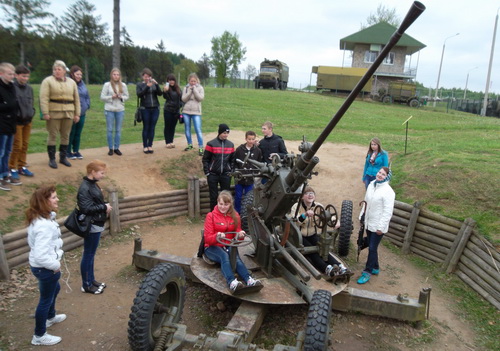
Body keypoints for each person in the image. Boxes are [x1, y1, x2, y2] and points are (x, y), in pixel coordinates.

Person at [26, 185, 66, 346]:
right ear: (44, 201)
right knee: (45, 299)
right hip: (46, 268)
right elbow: (41, 256)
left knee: (55, 289)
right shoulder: (43, 226)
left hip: (44, 267)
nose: (57, 199)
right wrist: (55, 265)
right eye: (54, 197)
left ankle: (50, 317)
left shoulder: (44, 219)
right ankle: (39, 335)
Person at [203, 190, 262, 294]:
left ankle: (249, 279)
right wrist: (217, 236)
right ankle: (232, 282)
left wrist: (240, 235)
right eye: (220, 204)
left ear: (230, 204)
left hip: (228, 244)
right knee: (224, 256)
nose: (223, 207)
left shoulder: (235, 216)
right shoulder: (211, 216)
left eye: (226, 204)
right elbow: (207, 238)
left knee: (235, 257)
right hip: (212, 246)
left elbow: (237, 233)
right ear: (217, 202)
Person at [290, 186, 349, 279]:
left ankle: (340, 266)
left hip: (313, 234)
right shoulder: (296, 207)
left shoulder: (318, 206)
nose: (310, 195)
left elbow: (327, 215)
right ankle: (326, 268)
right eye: (307, 193)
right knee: (312, 253)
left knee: (322, 249)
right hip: (300, 236)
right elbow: (296, 221)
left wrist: (335, 221)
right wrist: (305, 214)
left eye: (312, 193)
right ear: (302, 197)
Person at [78, 160, 112, 294]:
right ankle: (86, 285)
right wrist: (104, 207)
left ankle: (91, 280)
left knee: (91, 254)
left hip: (96, 223)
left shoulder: (92, 185)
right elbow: (85, 208)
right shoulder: (85, 187)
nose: (103, 175)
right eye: (101, 173)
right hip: (92, 225)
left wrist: (103, 206)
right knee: (88, 255)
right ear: (93, 172)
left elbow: (93, 202)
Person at [357, 167, 395, 284]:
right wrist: (362, 216)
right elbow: (366, 201)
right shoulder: (372, 184)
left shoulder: (388, 191)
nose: (379, 175)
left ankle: (367, 272)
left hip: (378, 226)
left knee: (372, 248)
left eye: (383, 174)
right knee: (372, 246)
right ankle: (376, 268)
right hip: (369, 222)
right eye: (379, 172)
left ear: (386, 177)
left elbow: (388, 211)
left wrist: (381, 227)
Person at [40, 60, 80, 169]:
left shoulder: (71, 82)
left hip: (68, 112)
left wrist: (77, 114)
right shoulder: (47, 81)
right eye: (55, 69)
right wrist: (45, 112)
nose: (57, 71)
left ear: (64, 71)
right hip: (53, 112)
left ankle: (63, 157)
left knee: (65, 135)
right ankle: (52, 159)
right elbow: (44, 98)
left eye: (59, 69)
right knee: (52, 135)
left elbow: (76, 99)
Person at [8, 65, 35, 182]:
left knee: (25, 144)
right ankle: (12, 167)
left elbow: (31, 102)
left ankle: (22, 166)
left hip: (28, 120)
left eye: (27, 77)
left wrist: (31, 112)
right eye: (23, 76)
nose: (25, 79)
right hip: (17, 122)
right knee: (17, 145)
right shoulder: (12, 88)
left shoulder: (29, 89)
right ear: (16, 76)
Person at [202, 124, 235, 211]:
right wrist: (207, 172)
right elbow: (205, 159)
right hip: (213, 174)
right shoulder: (211, 144)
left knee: (226, 197)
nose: (226, 135)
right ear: (220, 132)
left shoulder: (231, 145)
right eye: (224, 133)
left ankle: (226, 215)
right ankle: (213, 215)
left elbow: (232, 160)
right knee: (213, 196)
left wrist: (230, 171)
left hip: (225, 174)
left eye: (227, 133)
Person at [100, 68, 129, 156]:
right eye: (114, 74)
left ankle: (116, 148)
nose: (116, 76)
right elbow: (102, 97)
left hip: (120, 109)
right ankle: (110, 148)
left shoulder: (123, 85)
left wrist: (121, 97)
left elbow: (127, 96)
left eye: (117, 74)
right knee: (109, 130)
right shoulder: (107, 85)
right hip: (109, 109)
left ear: (120, 76)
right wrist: (111, 97)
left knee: (118, 130)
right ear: (111, 75)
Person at [0, 62, 19, 191]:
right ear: (1, 73)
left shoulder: (12, 86)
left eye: (13, 73)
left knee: (7, 151)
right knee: (0, 152)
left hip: (11, 123)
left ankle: (5, 174)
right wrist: (9, 105)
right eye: (9, 73)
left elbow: (15, 103)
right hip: (1, 124)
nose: (12, 76)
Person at [233, 130, 263, 213]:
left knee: (248, 197)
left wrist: (256, 173)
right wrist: (236, 171)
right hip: (240, 178)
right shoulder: (239, 149)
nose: (251, 141)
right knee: (238, 197)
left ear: (255, 139)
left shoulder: (257, 150)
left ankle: (246, 214)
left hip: (250, 178)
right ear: (246, 139)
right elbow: (235, 162)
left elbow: (259, 162)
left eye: (253, 139)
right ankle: (237, 213)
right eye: (249, 139)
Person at [136, 68, 162, 154]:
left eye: (149, 76)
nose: (147, 78)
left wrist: (157, 84)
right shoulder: (140, 85)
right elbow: (139, 94)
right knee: (146, 127)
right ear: (143, 76)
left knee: (152, 127)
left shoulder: (154, 84)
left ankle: (150, 145)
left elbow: (160, 93)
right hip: (145, 108)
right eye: (146, 76)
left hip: (155, 108)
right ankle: (145, 146)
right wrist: (147, 86)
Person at [68, 65, 90, 160]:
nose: (79, 76)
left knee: (78, 133)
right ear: (72, 74)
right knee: (71, 132)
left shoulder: (82, 84)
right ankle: (67, 151)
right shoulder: (69, 83)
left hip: (82, 113)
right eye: (77, 74)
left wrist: (87, 104)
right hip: (72, 113)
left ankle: (76, 150)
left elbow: (87, 96)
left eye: (80, 74)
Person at [181, 73, 204, 156]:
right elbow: (183, 99)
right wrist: (189, 91)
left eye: (194, 81)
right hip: (186, 111)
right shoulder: (186, 88)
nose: (193, 83)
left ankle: (201, 147)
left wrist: (194, 90)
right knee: (187, 128)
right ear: (189, 81)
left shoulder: (200, 88)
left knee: (198, 129)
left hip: (196, 112)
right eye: (191, 81)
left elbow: (200, 98)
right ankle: (190, 144)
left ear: (197, 81)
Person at [162, 74, 182, 149]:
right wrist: (165, 91)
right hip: (168, 110)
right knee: (167, 126)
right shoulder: (166, 88)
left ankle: (171, 141)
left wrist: (180, 105)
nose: (171, 82)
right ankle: (167, 142)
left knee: (173, 126)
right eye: (170, 80)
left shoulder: (178, 89)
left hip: (176, 111)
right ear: (168, 81)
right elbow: (164, 97)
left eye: (173, 80)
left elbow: (181, 99)